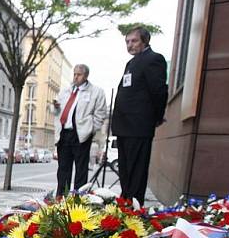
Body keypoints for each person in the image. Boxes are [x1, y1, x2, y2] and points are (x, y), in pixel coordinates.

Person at [111, 26, 168, 206]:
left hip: (139, 125)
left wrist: (157, 117)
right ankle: (126, 202)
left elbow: (158, 92)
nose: (129, 45)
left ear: (145, 41)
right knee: (126, 170)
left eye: (134, 41)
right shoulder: (132, 63)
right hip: (124, 126)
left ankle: (135, 207)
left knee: (137, 170)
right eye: (127, 42)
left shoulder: (154, 59)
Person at [52, 64, 108, 197]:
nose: (75, 77)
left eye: (79, 75)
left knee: (81, 169)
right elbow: (56, 111)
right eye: (74, 74)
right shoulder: (66, 91)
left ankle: (78, 198)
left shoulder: (96, 92)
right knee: (63, 169)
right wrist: (55, 107)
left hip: (81, 135)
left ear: (86, 76)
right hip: (64, 133)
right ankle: (61, 197)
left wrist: (91, 130)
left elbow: (100, 113)